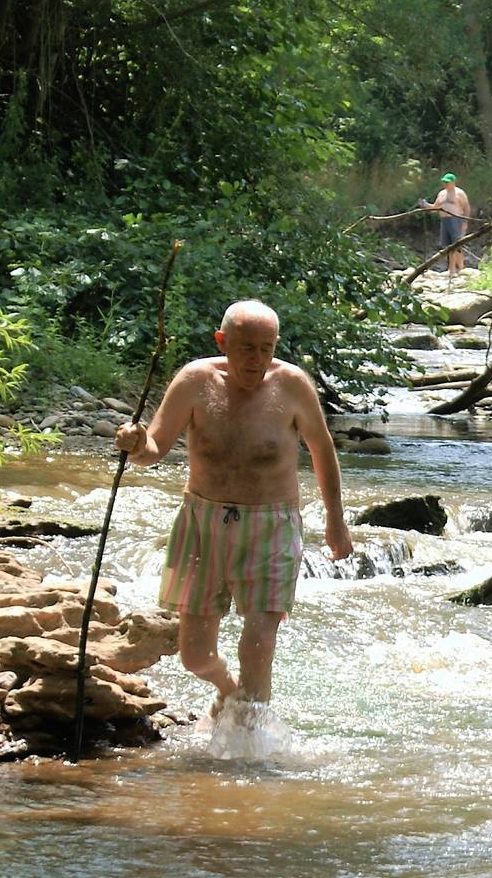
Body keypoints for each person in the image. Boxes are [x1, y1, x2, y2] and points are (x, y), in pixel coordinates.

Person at [113, 299, 353, 718]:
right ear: (222, 341)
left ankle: (249, 748)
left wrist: (336, 522)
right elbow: (154, 447)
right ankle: (227, 689)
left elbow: (322, 451)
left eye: (267, 348)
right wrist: (135, 444)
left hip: (273, 524)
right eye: (246, 347)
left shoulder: (292, 385)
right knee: (195, 655)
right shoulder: (194, 381)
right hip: (202, 521)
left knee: (259, 641)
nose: (257, 359)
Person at [419, 173, 474, 276]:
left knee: (457, 244)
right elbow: (435, 207)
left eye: (447, 182)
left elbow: (466, 208)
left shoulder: (459, 193)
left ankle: (461, 268)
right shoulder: (441, 193)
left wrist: (465, 222)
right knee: (448, 245)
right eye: (444, 182)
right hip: (444, 221)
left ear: (453, 182)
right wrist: (425, 205)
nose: (445, 184)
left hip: (456, 219)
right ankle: (451, 269)